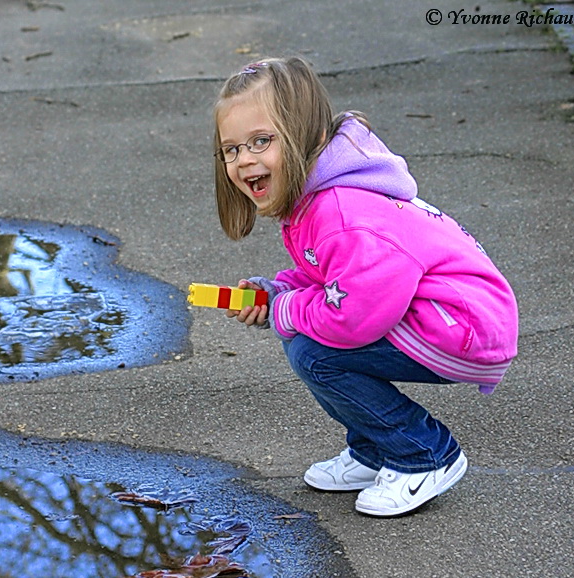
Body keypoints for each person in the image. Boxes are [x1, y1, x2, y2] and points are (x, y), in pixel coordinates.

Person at [212, 56, 518, 517]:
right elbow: (332, 277)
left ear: (308, 136)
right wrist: (278, 290)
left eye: (261, 141)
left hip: (462, 325)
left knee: (315, 352)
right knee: (309, 339)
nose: (245, 159)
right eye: (231, 149)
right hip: (443, 313)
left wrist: (285, 310)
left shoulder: (339, 212)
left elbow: (352, 318)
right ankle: (375, 449)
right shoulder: (319, 197)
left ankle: (424, 454)